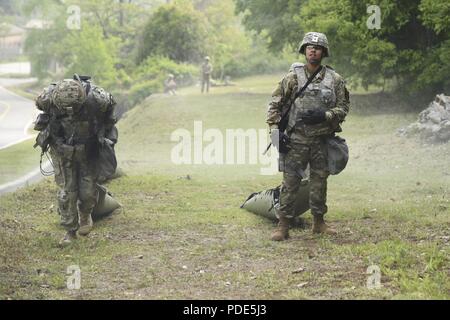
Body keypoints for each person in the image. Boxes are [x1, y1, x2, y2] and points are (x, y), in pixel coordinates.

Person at [267, 32, 350, 241]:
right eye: (309, 47)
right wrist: (275, 132)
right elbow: (275, 105)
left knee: (319, 182)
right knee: (290, 182)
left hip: (322, 140)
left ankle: (319, 223)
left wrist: (326, 114)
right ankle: (283, 225)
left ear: (324, 52)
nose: (313, 50)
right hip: (296, 140)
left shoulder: (335, 80)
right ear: (304, 51)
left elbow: (343, 107)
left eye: (318, 47)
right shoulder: (292, 78)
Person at [34, 74, 118, 246]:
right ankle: (69, 232)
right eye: (65, 110)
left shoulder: (97, 99)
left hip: (89, 150)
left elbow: (110, 115)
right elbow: (39, 107)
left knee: (87, 191)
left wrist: (105, 137)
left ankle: (86, 215)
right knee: (67, 191)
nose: (69, 114)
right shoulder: (48, 98)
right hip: (62, 149)